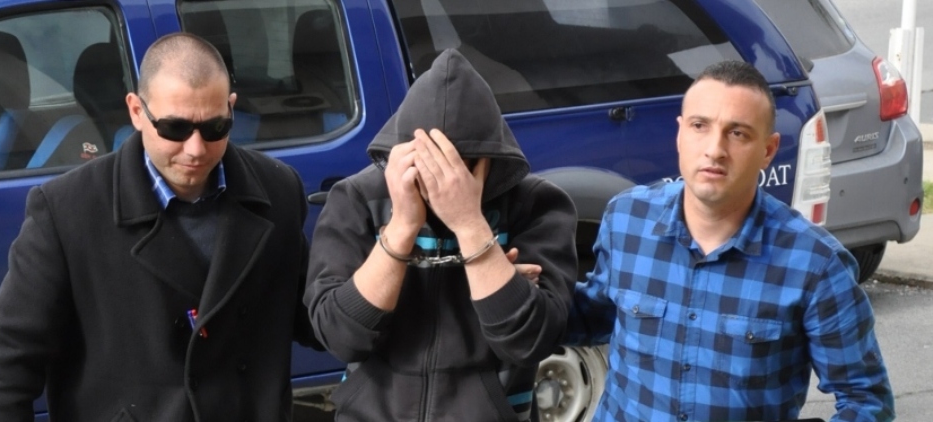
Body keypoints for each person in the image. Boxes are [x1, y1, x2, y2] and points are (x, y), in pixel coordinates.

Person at [0, 32, 317, 421]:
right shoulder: (68, 210)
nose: (196, 149)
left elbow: (316, 318)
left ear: (231, 108)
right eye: (174, 128)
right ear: (136, 111)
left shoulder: (277, 190)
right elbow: (7, 365)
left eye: (215, 128)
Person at [566, 61, 895, 422]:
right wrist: (524, 289)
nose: (715, 149)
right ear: (680, 134)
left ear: (768, 150)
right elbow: (593, 318)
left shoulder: (814, 264)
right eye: (699, 126)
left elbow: (866, 400)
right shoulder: (627, 219)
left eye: (737, 133)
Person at [304, 48, 577, 422]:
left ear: (485, 161)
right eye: (427, 163)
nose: (440, 181)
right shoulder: (358, 198)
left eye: (454, 165)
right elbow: (340, 337)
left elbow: (530, 341)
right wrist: (402, 227)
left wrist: (470, 226)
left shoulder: (536, 205)